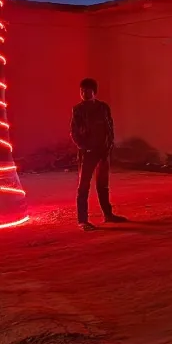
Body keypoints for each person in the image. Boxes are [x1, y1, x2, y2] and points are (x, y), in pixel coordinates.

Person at [71, 78, 127, 231]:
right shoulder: (78, 110)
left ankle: (108, 214)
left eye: (87, 90)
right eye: (82, 91)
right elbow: (74, 133)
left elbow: (110, 128)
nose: (84, 93)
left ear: (94, 92)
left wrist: (108, 146)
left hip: (103, 151)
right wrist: (85, 147)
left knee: (103, 185)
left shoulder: (103, 107)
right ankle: (82, 220)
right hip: (87, 153)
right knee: (84, 186)